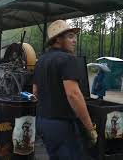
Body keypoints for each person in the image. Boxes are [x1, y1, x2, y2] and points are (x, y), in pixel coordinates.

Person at [32, 20, 97, 160]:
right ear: (57, 39)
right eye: (70, 36)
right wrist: (90, 128)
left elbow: (35, 92)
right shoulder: (67, 59)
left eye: (74, 36)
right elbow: (73, 95)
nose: (74, 40)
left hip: (43, 122)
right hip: (61, 126)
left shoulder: (41, 60)